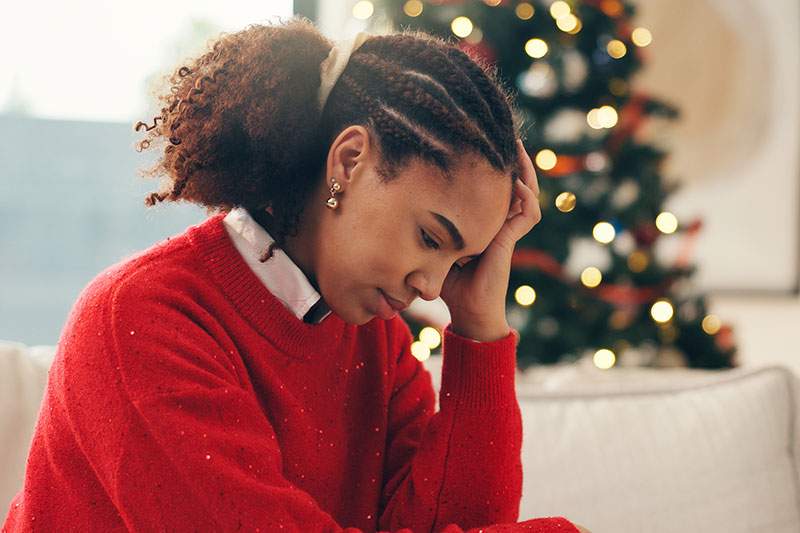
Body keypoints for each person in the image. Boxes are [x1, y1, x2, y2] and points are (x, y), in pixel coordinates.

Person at [2, 16, 592, 533]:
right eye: (430, 239)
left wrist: (479, 323)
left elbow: (465, 526)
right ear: (350, 161)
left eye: (458, 261)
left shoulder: (376, 339)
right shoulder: (141, 317)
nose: (433, 288)